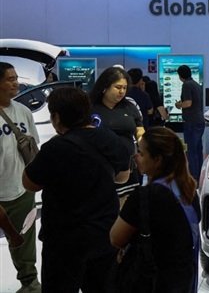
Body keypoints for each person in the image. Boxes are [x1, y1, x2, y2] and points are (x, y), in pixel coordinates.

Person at [22, 87, 130, 291]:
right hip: (104, 234)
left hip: (63, 239)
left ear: (57, 117)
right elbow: (123, 177)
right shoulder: (109, 139)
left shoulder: (55, 148)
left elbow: (29, 183)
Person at [110, 127, 201, 293]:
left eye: (141, 153)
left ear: (157, 160)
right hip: (183, 279)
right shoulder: (190, 193)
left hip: (151, 281)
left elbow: (116, 237)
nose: (136, 156)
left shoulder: (144, 196)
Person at [0, 62, 41, 293]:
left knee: (23, 241)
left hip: (21, 189)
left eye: (16, 78)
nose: (16, 83)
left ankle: (30, 283)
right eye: (10, 79)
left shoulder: (23, 111)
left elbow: (34, 147)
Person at [90, 66, 144, 199]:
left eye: (124, 88)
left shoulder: (129, 106)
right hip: (98, 167)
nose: (122, 91)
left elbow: (139, 130)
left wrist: (144, 144)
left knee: (126, 204)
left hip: (127, 167)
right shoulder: (90, 107)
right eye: (118, 87)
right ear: (105, 87)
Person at [175, 65, 205, 182]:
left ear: (180, 75)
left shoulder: (186, 85)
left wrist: (179, 105)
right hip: (199, 120)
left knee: (191, 151)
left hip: (191, 121)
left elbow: (188, 103)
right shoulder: (196, 84)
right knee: (198, 150)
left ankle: (193, 178)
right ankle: (199, 176)